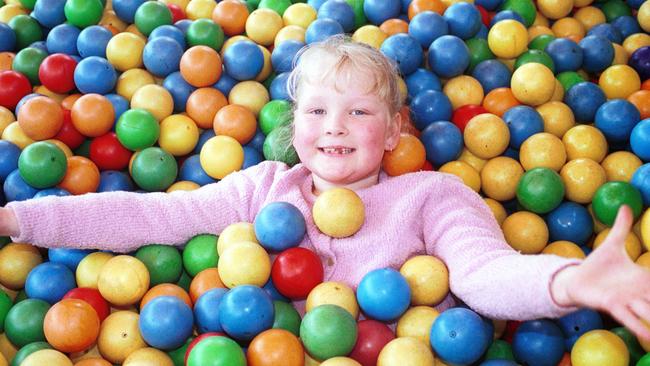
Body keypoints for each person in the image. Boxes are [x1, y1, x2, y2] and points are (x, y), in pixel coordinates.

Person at [1, 35, 650, 342]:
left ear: (396, 130)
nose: (334, 127)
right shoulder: (264, 189)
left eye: (359, 112)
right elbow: (151, 217)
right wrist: (20, 221)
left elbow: (484, 274)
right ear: (293, 124)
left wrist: (567, 284)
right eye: (315, 112)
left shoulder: (433, 197)